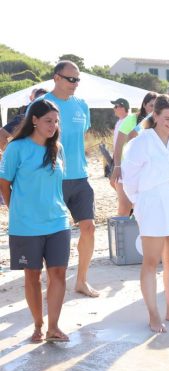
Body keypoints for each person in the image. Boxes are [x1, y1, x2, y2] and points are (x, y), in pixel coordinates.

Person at [121, 95, 169, 333]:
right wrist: (140, 202)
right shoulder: (141, 142)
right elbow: (129, 178)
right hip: (152, 200)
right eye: (167, 118)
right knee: (151, 261)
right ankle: (154, 314)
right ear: (154, 115)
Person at [0, 99, 71, 343]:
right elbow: (4, 183)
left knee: (59, 273)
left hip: (58, 222)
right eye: (48, 121)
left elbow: (57, 184)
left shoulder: (58, 148)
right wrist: (16, 209)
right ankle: (38, 325)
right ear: (34, 120)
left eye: (56, 122)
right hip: (26, 225)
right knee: (32, 276)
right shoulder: (16, 148)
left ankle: (54, 326)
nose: (53, 126)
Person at [33, 60, 99, 297]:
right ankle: (46, 279)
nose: (75, 83)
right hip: (52, 177)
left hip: (80, 176)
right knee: (50, 232)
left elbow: (80, 138)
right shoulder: (41, 104)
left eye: (78, 79)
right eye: (71, 79)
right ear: (56, 78)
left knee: (89, 228)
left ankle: (81, 280)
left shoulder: (82, 104)